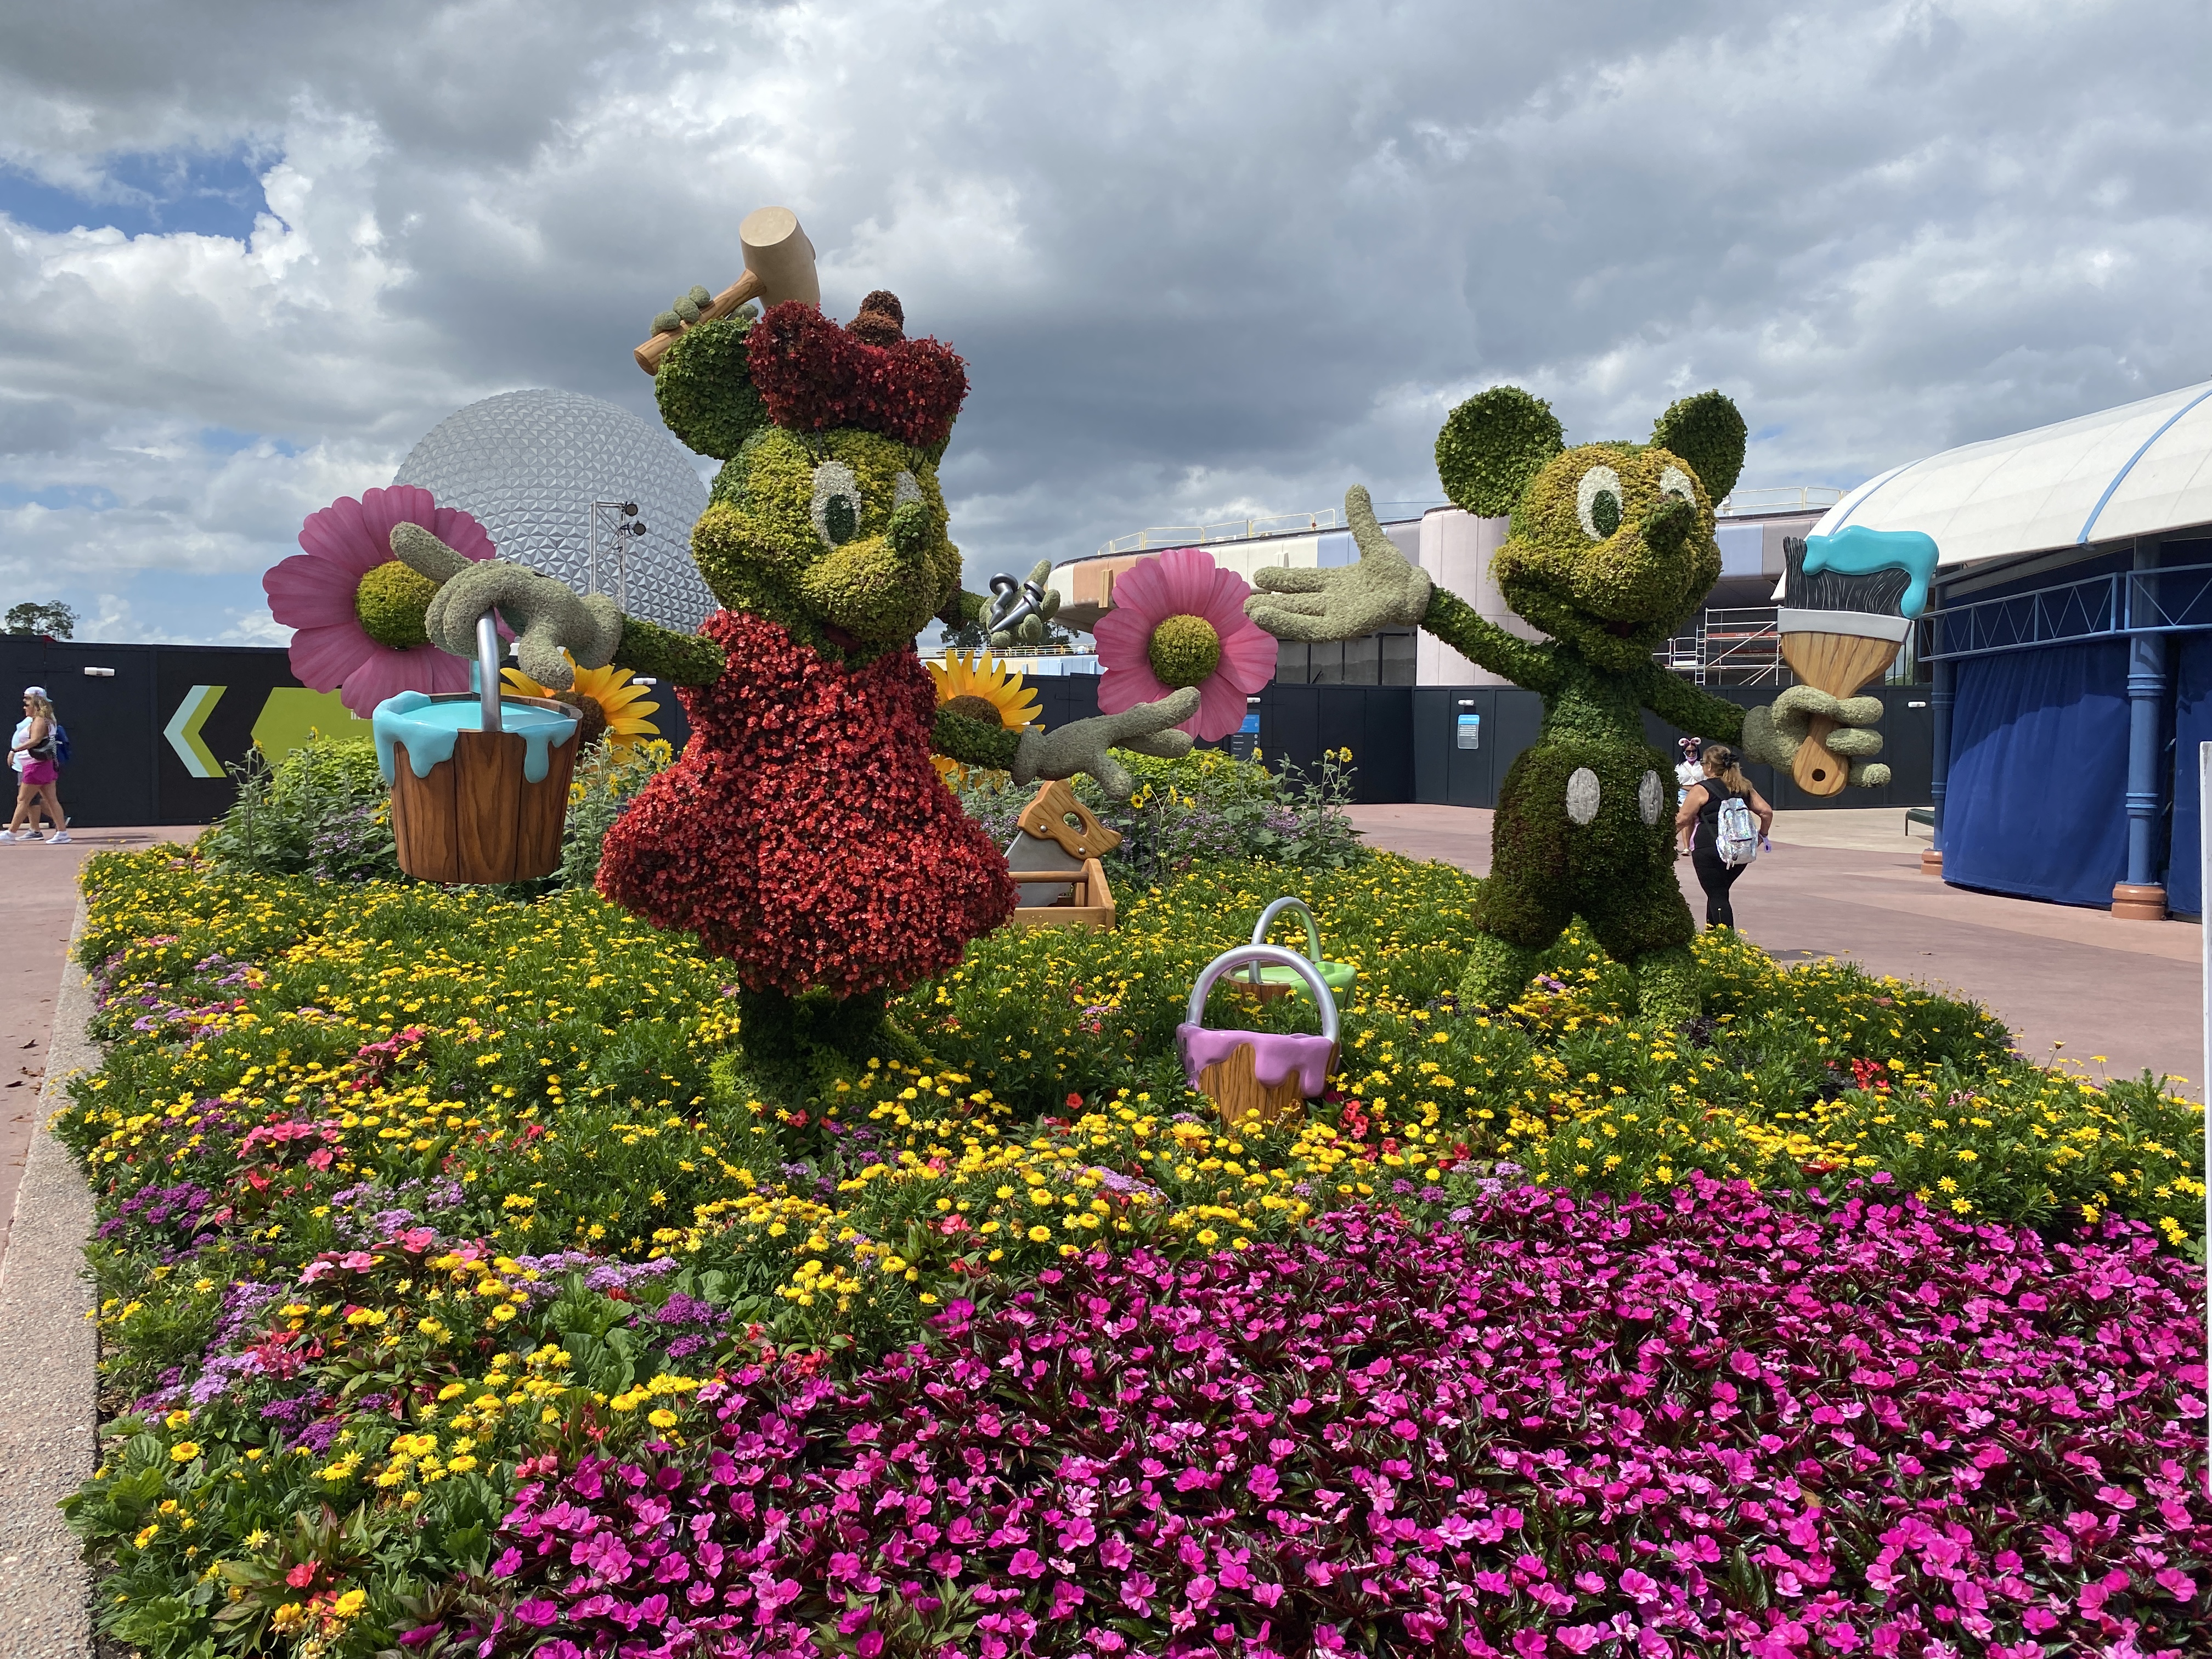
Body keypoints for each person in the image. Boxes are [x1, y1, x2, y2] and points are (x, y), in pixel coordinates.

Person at [1673, 740, 1768, 929]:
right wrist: (1762, 835)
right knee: (1718, 892)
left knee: (1717, 894)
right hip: (1738, 851)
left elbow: (1683, 819)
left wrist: (1664, 836)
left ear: (1709, 766)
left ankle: (1728, 943)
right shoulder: (1744, 787)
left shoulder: (1702, 789)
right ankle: (1713, 939)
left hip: (1709, 847)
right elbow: (1766, 812)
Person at [5, 689, 69, 843]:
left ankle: (10, 833)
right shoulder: (42, 719)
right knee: (51, 800)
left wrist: (14, 750)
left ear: (35, 704)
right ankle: (62, 834)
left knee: (23, 800)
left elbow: (35, 740)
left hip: (36, 766)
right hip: (41, 765)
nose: (24, 707)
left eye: (27, 704)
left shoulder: (40, 720)